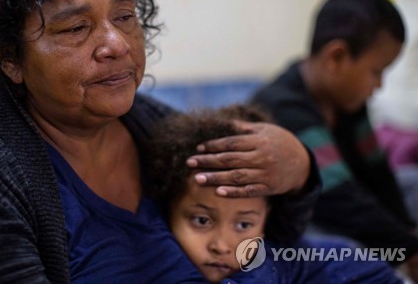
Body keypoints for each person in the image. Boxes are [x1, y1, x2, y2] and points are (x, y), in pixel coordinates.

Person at [0, 0, 319, 283]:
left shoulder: (153, 125)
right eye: (76, 27)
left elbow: (260, 246)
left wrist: (299, 172)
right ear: (7, 56)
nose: (116, 44)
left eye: (125, 17)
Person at [250, 0, 418, 282]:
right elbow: (337, 197)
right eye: (376, 71)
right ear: (336, 57)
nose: (378, 86)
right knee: (342, 249)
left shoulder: (349, 102)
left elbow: (377, 171)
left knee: (412, 181)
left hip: (345, 199)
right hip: (302, 217)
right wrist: (406, 250)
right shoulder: (284, 108)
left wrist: (405, 230)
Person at [147, 104, 403, 284]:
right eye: (201, 220)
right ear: (168, 209)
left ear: (265, 222)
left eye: (243, 224)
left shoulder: (261, 268)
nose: (222, 245)